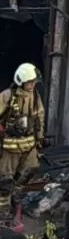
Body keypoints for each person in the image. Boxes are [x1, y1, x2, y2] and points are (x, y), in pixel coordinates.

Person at [0, 63, 44, 216]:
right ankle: (3, 213)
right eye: (29, 82)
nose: (32, 85)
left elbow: (39, 118)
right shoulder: (7, 96)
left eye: (34, 82)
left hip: (29, 146)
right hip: (9, 148)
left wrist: (40, 139)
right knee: (5, 181)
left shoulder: (35, 97)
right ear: (21, 81)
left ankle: (15, 203)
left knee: (29, 171)